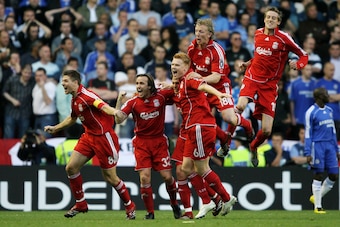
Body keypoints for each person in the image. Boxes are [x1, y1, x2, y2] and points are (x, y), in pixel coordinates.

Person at [44, 69, 136, 219]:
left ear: (75, 82)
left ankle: (129, 205)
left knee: (111, 178)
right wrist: (55, 128)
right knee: (71, 168)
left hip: (104, 138)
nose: (63, 84)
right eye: (62, 81)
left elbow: (102, 105)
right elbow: (72, 118)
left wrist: (113, 112)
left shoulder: (87, 95)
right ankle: (81, 203)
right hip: (89, 137)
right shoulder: (74, 99)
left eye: (66, 81)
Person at [236, 7, 308, 167]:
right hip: (252, 78)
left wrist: (298, 64)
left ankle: (253, 147)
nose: (270, 20)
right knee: (240, 106)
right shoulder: (257, 33)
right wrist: (247, 63)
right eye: (268, 17)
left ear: (278, 22)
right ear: (264, 19)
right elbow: (258, 56)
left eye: (273, 18)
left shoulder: (284, 38)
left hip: (269, 86)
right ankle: (227, 142)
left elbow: (304, 55)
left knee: (267, 130)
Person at [171, 52, 237, 219]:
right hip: (193, 128)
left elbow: (202, 86)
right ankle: (210, 200)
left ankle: (226, 198)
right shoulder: (180, 84)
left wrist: (219, 94)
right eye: (172, 64)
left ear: (186, 68)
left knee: (202, 168)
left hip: (200, 126)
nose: (173, 67)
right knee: (185, 168)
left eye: (177, 65)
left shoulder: (191, 78)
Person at [114, 73, 181, 220]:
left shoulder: (161, 96)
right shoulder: (133, 102)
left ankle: (175, 204)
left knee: (167, 177)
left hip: (159, 142)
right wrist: (119, 100)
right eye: (137, 83)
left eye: (142, 83)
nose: (138, 86)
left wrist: (170, 85)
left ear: (150, 86)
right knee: (145, 178)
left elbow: (179, 89)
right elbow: (118, 119)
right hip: (141, 143)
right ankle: (150, 213)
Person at [187, 18, 253, 158]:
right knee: (199, 120)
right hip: (203, 89)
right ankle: (224, 139)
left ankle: (246, 124)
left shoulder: (216, 50)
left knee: (229, 118)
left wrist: (199, 79)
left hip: (220, 87)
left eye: (201, 31)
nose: (197, 34)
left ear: (210, 34)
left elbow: (216, 77)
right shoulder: (192, 48)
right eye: (196, 31)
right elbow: (189, 70)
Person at [305, 87, 340, 214]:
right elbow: (308, 133)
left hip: (330, 146)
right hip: (317, 145)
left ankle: (316, 197)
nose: (328, 95)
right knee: (318, 174)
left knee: (334, 175)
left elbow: (333, 131)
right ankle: (318, 207)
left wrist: (336, 149)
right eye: (325, 94)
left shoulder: (330, 110)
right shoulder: (311, 112)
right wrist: (307, 152)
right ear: (319, 97)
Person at [2, 64, 35, 139]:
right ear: (21, 71)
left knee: (23, 137)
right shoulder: (13, 79)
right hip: (11, 112)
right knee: (8, 135)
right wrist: (12, 100)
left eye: (29, 73)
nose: (27, 75)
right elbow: (4, 92)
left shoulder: (32, 82)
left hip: (25, 113)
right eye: (25, 72)